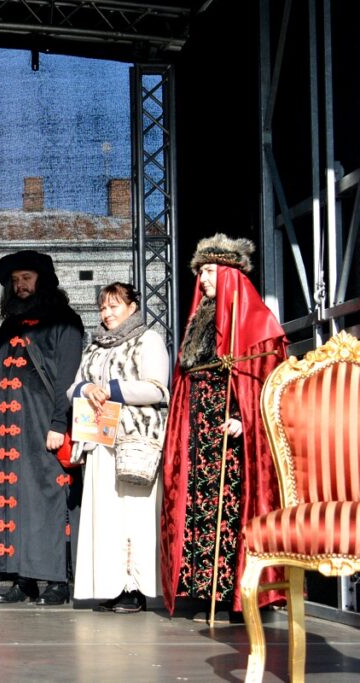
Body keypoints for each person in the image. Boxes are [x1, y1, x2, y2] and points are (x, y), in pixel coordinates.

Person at [160, 234, 287, 618]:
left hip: (234, 436)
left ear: (230, 274)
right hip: (200, 430)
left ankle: (239, 594)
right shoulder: (199, 319)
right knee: (201, 507)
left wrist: (245, 417)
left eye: (210, 272)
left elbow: (268, 382)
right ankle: (207, 591)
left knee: (231, 509)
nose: (202, 280)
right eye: (200, 272)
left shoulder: (258, 323)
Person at [0, 250, 84, 606]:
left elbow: (68, 377)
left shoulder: (65, 321)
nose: (20, 285)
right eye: (15, 280)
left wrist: (58, 422)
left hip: (44, 424)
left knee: (50, 500)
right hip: (11, 430)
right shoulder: (9, 325)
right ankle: (22, 579)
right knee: (15, 501)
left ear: (43, 280)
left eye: (26, 278)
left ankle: (57, 580)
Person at [67, 283, 169, 613]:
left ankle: (134, 587)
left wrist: (111, 390)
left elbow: (157, 389)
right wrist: (87, 389)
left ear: (132, 307)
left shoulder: (148, 339)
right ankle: (109, 584)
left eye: (114, 306)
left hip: (134, 440)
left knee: (133, 513)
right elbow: (73, 388)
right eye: (103, 308)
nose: (107, 313)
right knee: (105, 515)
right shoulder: (95, 346)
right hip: (100, 440)